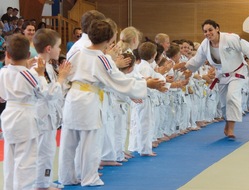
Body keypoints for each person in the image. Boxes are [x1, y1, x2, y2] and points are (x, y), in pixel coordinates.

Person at [58, 19, 148, 186]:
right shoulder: (102, 58)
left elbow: (66, 71)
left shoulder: (77, 51)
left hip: (72, 96)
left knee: (68, 140)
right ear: (109, 40)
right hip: (88, 100)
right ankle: (89, 177)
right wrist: (144, 85)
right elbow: (118, 79)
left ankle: (66, 176)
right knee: (90, 140)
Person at [184, 19, 249, 140]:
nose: (208, 33)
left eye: (210, 30)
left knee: (232, 97)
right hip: (222, 75)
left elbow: (248, 49)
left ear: (217, 28)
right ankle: (227, 123)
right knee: (224, 103)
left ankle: (231, 128)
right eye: (205, 31)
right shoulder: (205, 44)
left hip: (237, 73)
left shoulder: (230, 38)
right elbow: (197, 60)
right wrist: (186, 67)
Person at [0, 34, 47, 190]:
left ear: (7, 54)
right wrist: (40, 74)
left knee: (10, 161)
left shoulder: (3, 72)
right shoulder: (29, 74)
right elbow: (43, 94)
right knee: (26, 162)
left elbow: (1, 98)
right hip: (24, 117)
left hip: (8, 115)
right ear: (28, 55)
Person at [32, 28, 71, 190]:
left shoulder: (46, 66)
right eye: (58, 46)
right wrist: (61, 78)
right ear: (49, 48)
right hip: (42, 116)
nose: (60, 49)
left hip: (47, 115)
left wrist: (63, 78)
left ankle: (43, 181)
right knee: (45, 151)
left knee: (47, 150)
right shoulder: (38, 66)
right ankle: (42, 183)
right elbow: (48, 93)